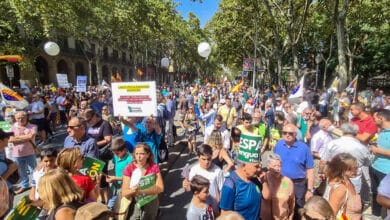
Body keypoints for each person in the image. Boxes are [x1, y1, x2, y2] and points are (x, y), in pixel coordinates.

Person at [273, 123, 314, 220]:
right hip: (283, 182)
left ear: (295, 134)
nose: (287, 135)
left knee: (298, 208)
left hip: (298, 184)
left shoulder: (304, 148)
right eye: (285, 133)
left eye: (290, 133)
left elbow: (310, 169)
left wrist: (310, 190)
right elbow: (274, 162)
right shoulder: (278, 145)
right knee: (283, 205)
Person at [320, 123, 370, 195]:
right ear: (356, 133)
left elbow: (323, 161)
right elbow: (366, 163)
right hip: (354, 181)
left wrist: (321, 171)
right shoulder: (362, 148)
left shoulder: (333, 144)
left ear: (342, 131)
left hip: (335, 179)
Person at [121, 143, 164, 220]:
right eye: (136, 154)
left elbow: (160, 188)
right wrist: (133, 190)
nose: (139, 157)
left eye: (142, 154)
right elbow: (124, 192)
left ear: (148, 155)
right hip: (135, 204)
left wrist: (141, 191)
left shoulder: (154, 167)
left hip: (151, 203)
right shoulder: (129, 168)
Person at [183, 144, 224, 215]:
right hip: (199, 208)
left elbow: (222, 189)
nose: (206, 162)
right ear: (198, 158)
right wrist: (185, 185)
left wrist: (220, 205)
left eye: (209, 159)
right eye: (203, 159)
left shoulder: (218, 171)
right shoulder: (194, 170)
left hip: (214, 208)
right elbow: (190, 189)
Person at [84, 109, 113, 204]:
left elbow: (108, 139)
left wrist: (94, 144)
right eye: (87, 121)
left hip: (101, 154)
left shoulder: (104, 124)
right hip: (90, 155)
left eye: (90, 120)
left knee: (102, 180)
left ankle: (107, 202)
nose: (88, 122)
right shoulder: (88, 125)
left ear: (95, 116)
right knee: (93, 179)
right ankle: (100, 200)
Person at [322, 153, 362, 219]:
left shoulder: (348, 181)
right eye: (354, 168)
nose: (357, 170)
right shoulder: (340, 189)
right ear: (343, 169)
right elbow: (332, 214)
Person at [9, 110, 38, 194]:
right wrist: (24, 138)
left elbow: (30, 137)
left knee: (33, 170)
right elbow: (11, 140)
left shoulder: (33, 126)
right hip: (17, 153)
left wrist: (17, 138)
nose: (20, 120)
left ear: (27, 117)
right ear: (15, 118)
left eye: (22, 118)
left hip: (30, 152)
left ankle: (35, 185)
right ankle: (24, 185)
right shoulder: (13, 127)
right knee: (21, 171)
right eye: (18, 118)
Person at [261, 153, 295, 220]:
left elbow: (292, 202)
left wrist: (290, 217)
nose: (277, 169)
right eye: (274, 166)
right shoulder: (263, 179)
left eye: (279, 166)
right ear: (268, 167)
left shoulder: (287, 182)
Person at [369, 109, 390, 217]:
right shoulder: (381, 131)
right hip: (375, 166)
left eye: (375, 119)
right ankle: (375, 214)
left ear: (381, 119)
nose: (373, 121)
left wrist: (377, 150)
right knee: (375, 192)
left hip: (386, 171)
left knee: (385, 196)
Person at [106, 137, 133, 210]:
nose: (116, 155)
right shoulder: (115, 157)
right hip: (116, 187)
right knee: (110, 206)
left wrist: (115, 178)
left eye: (117, 153)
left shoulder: (130, 160)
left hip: (126, 187)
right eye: (114, 153)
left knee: (124, 207)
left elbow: (131, 177)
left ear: (124, 150)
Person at [0, 128, 18, 213]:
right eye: (6, 137)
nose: (8, 139)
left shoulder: (1, 151)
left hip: (7, 192)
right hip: (2, 197)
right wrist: (10, 170)